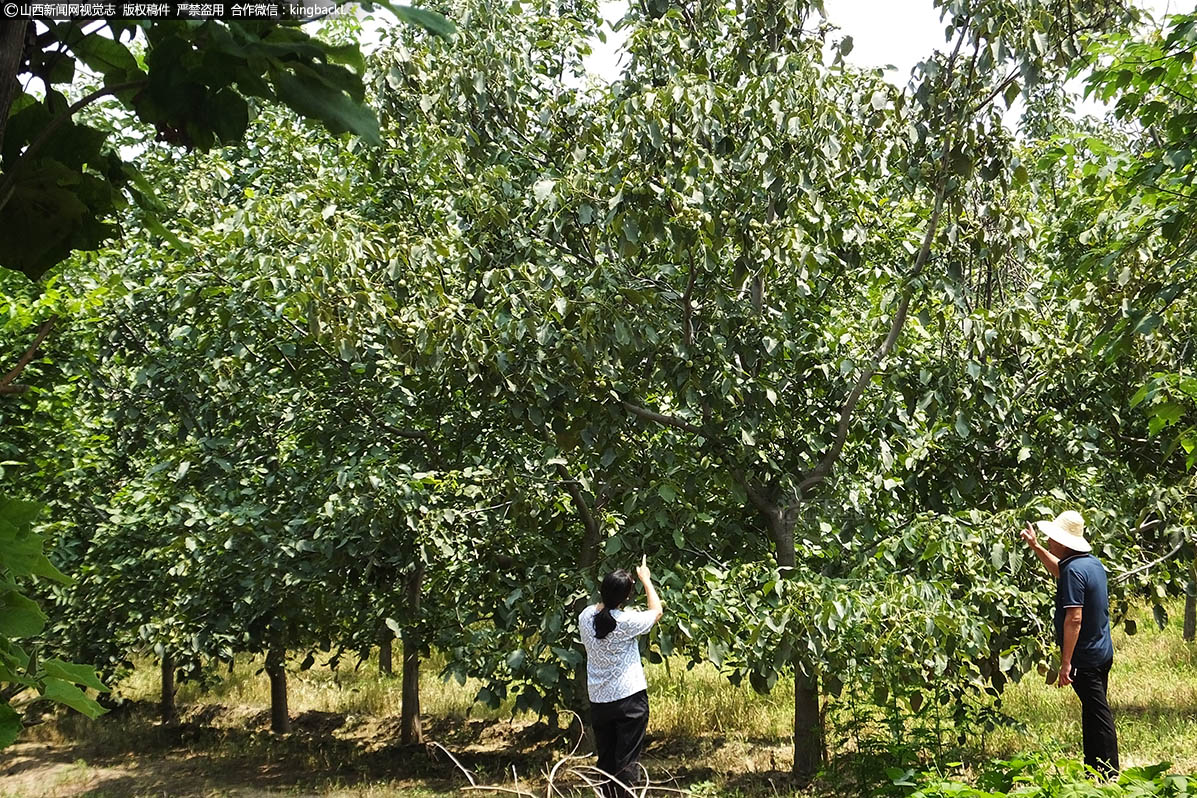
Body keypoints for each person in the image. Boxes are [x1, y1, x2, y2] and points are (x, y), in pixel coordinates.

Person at [1019, 509, 1119, 778]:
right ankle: (1094, 770)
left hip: (1084, 658)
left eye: (1052, 538)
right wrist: (1037, 547)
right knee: (1092, 712)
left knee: (1099, 714)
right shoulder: (1090, 564)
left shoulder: (1074, 571)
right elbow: (1058, 570)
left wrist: (1066, 662)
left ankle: (1111, 774)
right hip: (1102, 651)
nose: (1050, 541)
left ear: (1065, 542)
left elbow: (1074, 619)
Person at [578, 555, 664, 798]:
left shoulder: (585, 616)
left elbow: (602, 613)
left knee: (605, 760)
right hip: (629, 700)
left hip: (600, 701)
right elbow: (656, 611)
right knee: (626, 762)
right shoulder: (626, 621)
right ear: (626, 597)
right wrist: (646, 579)